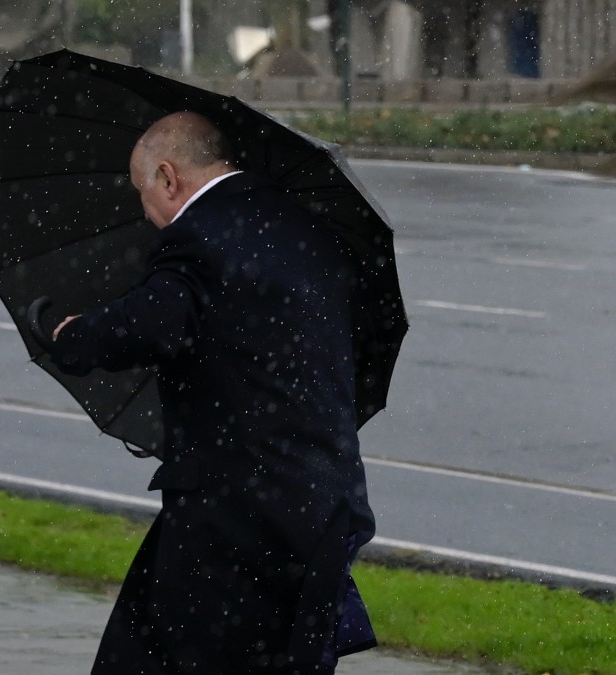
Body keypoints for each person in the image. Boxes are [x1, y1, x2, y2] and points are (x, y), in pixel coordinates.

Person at [46, 111, 376, 674]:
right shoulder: (303, 228)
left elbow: (148, 325)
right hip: (321, 503)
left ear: (169, 177)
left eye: (141, 189)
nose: (144, 211)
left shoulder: (200, 239)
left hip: (237, 519)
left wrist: (65, 331)